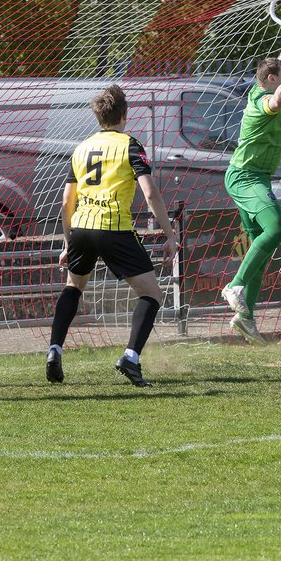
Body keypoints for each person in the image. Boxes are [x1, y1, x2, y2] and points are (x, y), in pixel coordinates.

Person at [45, 85, 178, 388]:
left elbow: (66, 202)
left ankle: (54, 349)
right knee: (151, 294)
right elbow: (150, 193)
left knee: (74, 286)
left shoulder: (81, 148)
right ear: (125, 115)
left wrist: (67, 242)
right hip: (113, 227)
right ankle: (130, 357)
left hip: (81, 227)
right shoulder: (130, 145)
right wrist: (169, 235)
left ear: (98, 117)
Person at [220, 27, 281, 344]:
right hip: (245, 177)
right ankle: (234, 286)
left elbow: (275, 71)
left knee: (260, 249)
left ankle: (245, 317)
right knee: (277, 227)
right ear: (272, 79)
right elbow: (277, 101)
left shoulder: (265, 82)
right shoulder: (264, 99)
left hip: (255, 177)